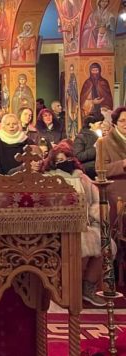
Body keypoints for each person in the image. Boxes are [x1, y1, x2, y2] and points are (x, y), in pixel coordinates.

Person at [44, 141, 107, 306]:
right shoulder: (48, 179)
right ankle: (70, 289)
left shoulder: (82, 178)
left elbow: (97, 201)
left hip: (85, 225)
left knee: (106, 245)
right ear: (52, 162)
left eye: (65, 159)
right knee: (80, 246)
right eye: (58, 160)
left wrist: (92, 216)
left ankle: (87, 287)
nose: (63, 163)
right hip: (59, 227)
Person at [96, 106, 126, 225]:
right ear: (115, 123)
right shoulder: (105, 142)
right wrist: (122, 164)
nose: (125, 124)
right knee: (119, 229)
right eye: (122, 121)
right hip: (118, 193)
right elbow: (100, 169)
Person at [74, 113, 104, 179]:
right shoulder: (81, 137)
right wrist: (95, 148)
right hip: (89, 169)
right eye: (100, 124)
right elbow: (78, 156)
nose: (102, 126)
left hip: (102, 165)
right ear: (91, 124)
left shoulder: (101, 136)